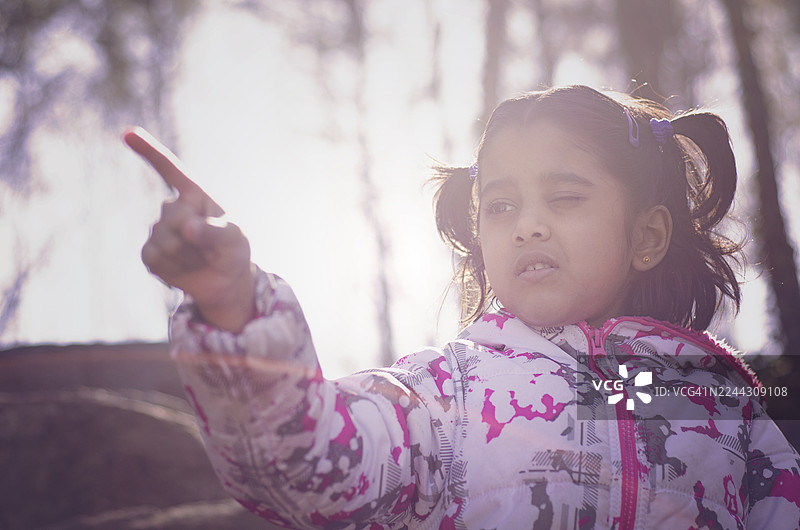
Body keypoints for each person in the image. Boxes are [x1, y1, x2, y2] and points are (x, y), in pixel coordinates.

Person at [125, 85, 800, 529]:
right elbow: (305, 468)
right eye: (502, 206)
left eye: (564, 197)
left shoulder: (716, 403)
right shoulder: (446, 393)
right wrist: (232, 303)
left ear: (647, 236)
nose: (527, 225)